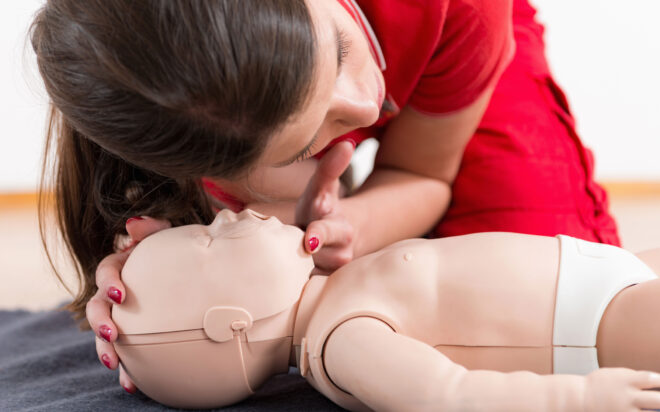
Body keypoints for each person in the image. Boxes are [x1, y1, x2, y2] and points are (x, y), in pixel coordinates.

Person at [30, 0, 619, 392]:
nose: (367, 105)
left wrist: (358, 220)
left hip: (454, 35)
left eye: (339, 50)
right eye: (308, 143)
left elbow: (425, 172)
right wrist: (155, 282)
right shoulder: (209, 114)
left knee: (566, 293)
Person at [113, 209, 660, 411]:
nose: (231, 213)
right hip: (598, 323)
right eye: (212, 236)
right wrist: (584, 398)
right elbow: (447, 396)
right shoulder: (341, 342)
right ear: (228, 321)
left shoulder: (333, 293)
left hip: (606, 273)